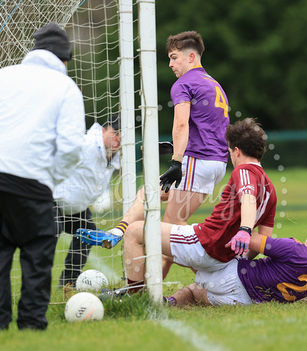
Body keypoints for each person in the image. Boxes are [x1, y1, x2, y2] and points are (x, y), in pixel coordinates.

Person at [0, 22, 85, 332]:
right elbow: (71, 146)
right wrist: (50, 177)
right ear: (64, 60)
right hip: (30, 178)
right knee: (38, 247)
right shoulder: (65, 87)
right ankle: (31, 324)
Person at [79, 117, 277, 293]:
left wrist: (244, 229)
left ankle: (132, 296)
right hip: (221, 255)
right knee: (167, 236)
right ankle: (142, 289)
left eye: (229, 152)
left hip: (205, 244)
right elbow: (264, 239)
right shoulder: (271, 189)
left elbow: (248, 199)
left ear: (236, 151)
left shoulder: (243, 172)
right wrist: (239, 262)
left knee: (134, 231)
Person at [86, 30, 230, 250]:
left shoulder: (184, 83)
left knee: (172, 227)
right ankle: (117, 233)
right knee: (149, 193)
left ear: (191, 57)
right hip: (214, 161)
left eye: (174, 57)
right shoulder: (214, 83)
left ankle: (211, 277)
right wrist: (177, 147)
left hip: (197, 161)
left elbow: (181, 124)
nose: (170, 64)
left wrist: (177, 161)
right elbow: (210, 129)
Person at [166, 208, 307, 307]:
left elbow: (247, 240)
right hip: (247, 302)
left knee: (177, 249)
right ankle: (172, 302)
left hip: (234, 277)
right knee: (194, 290)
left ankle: (160, 298)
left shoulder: (293, 248)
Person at [54, 115, 121, 287]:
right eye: (115, 133)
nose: (118, 139)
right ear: (103, 130)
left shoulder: (118, 156)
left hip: (76, 207)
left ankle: (67, 283)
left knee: (87, 233)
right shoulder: (85, 145)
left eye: (122, 136)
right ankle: (36, 284)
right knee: (51, 232)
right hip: (52, 200)